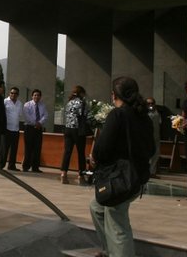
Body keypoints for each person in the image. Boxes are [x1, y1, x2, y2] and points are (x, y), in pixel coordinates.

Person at [89, 76, 155, 257]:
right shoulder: (144, 118)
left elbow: (102, 148)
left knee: (117, 223)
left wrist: (94, 158)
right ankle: (110, 251)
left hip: (120, 180)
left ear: (114, 95)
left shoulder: (117, 114)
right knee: (97, 207)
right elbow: (152, 149)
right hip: (136, 177)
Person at [61, 85, 88, 185]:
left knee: (67, 152)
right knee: (81, 153)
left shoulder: (69, 102)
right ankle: (81, 176)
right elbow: (85, 115)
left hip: (68, 129)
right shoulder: (82, 103)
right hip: (78, 130)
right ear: (81, 93)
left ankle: (63, 173)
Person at [0, 86, 23, 171]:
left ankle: (11, 166)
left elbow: (19, 115)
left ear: (18, 94)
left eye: (15, 93)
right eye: (12, 93)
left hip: (15, 129)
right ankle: (0, 165)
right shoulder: (5, 101)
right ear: (9, 93)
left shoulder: (19, 103)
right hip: (6, 129)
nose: (13, 95)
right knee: (4, 148)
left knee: (14, 149)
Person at [22, 89, 47, 173]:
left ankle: (35, 167)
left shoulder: (42, 105)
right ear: (32, 96)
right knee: (28, 148)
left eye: (38, 95)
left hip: (38, 129)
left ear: (40, 96)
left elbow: (45, 115)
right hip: (29, 128)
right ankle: (26, 166)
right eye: (35, 95)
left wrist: (39, 123)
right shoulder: (27, 105)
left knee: (37, 148)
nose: (36, 96)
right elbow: (27, 116)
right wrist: (35, 123)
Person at [145, 97, 161, 178]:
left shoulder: (157, 112)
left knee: (156, 154)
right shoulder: (144, 113)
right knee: (147, 155)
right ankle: (145, 172)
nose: (150, 105)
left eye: (152, 103)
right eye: (148, 103)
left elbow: (159, 123)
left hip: (156, 137)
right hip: (147, 137)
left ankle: (152, 172)